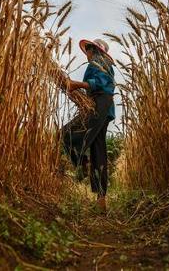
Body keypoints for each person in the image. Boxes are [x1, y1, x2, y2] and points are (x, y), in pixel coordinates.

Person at [62, 38, 116, 212]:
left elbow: (100, 85)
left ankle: (81, 161)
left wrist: (75, 84)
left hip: (101, 104)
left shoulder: (99, 63)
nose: (87, 53)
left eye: (89, 49)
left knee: (66, 133)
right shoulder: (102, 64)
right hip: (102, 106)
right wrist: (78, 95)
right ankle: (101, 198)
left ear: (95, 50)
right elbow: (94, 89)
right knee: (98, 148)